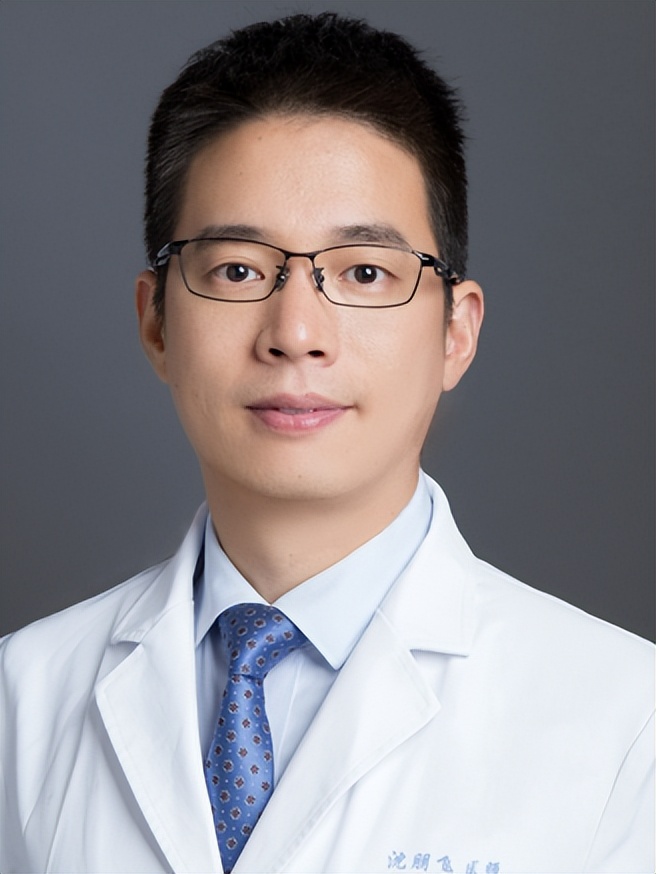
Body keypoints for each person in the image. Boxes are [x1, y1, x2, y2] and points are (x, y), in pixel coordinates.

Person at [0, 12, 653, 874]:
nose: (296, 333)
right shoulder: (22, 699)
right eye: (238, 269)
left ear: (456, 333)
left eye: (364, 273)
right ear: (156, 323)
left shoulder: (625, 723)